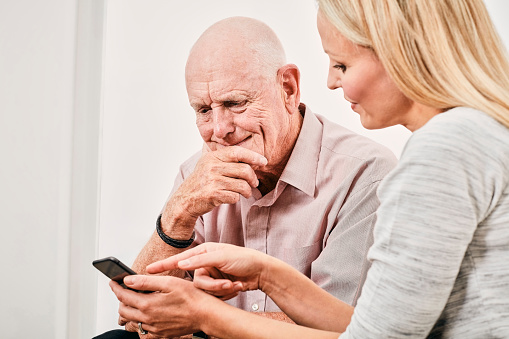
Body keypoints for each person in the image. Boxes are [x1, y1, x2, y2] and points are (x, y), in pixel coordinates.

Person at [107, 0, 509, 338]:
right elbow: (367, 325)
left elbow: (372, 337)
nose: (332, 83)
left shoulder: (437, 151)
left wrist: (204, 316)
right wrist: (265, 273)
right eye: (203, 110)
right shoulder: (473, 134)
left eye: (342, 64)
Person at [98, 15, 397, 338]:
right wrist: (179, 212)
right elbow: (136, 320)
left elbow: (344, 326)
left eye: (235, 103)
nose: (219, 130)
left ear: (288, 88)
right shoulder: (197, 174)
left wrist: (202, 317)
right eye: (203, 110)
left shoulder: (363, 173)